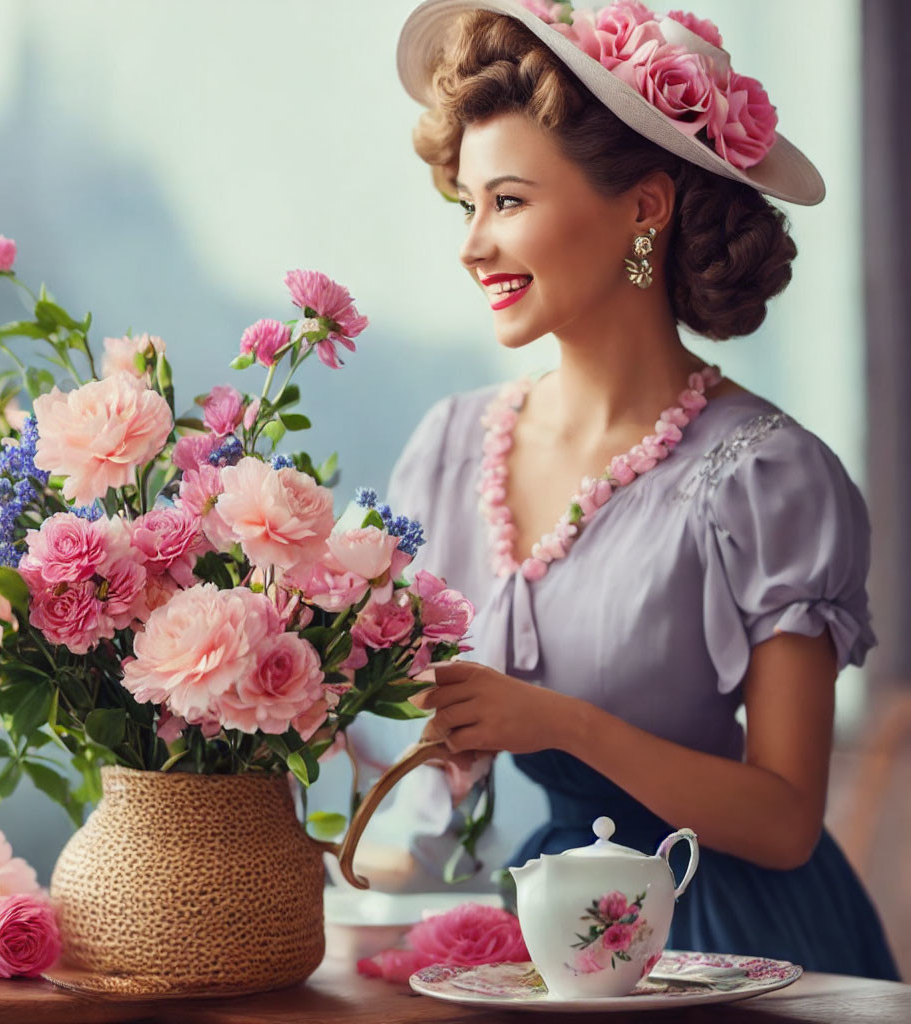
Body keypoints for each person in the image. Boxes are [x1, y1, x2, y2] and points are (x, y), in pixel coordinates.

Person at [351, 0, 901, 981]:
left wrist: (554, 722)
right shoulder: (449, 447)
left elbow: (782, 822)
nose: (472, 246)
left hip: (739, 938)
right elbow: (440, 807)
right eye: (464, 205)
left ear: (644, 206)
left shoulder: (771, 477)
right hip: (549, 930)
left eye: (508, 201)